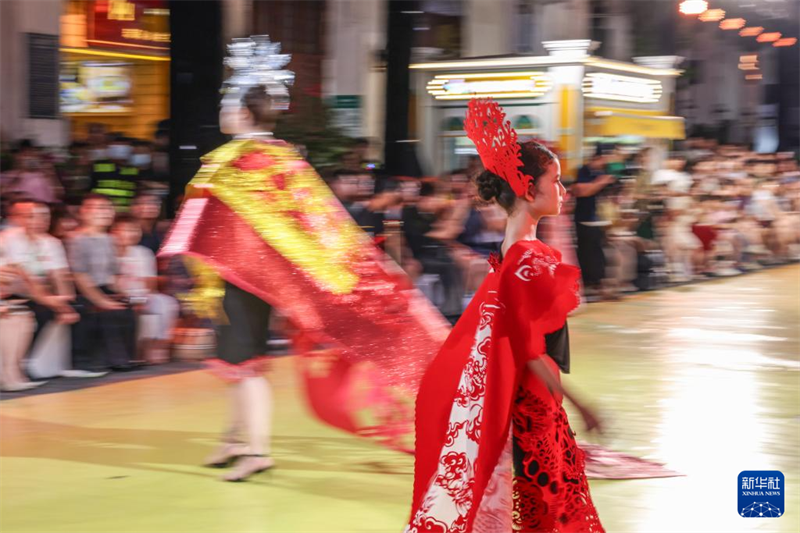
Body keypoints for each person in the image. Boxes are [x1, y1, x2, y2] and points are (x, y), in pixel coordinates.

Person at [160, 36, 447, 482]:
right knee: (238, 363)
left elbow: (228, 222)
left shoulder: (241, 161)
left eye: (226, 104)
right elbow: (315, 224)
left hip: (243, 277)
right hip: (248, 277)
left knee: (243, 363)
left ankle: (256, 450)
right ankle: (236, 439)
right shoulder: (279, 158)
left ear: (242, 113)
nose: (221, 112)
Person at [407, 99, 603, 533]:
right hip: (532, 406)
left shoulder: (506, 255)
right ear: (529, 190)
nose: (564, 192)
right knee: (550, 511)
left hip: (520, 402)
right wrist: (584, 405)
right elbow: (529, 348)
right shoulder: (528, 261)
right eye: (556, 182)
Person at [66, 193, 138, 376]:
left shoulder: (109, 239)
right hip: (81, 290)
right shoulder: (76, 239)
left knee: (126, 306)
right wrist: (102, 301)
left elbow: (112, 275)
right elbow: (79, 275)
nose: (106, 212)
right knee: (99, 310)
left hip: (103, 287)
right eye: (100, 208)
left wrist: (122, 293)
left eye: (108, 208)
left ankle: (122, 358)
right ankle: (83, 362)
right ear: (84, 212)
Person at [0, 199, 78, 343]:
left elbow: (59, 275)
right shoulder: (8, 238)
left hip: (38, 292)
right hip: (14, 290)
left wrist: (66, 299)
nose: (40, 220)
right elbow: (23, 276)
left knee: (77, 307)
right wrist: (58, 305)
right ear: (23, 218)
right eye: (33, 216)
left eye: (45, 216)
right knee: (40, 310)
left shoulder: (52, 243)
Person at [112, 213, 179, 363]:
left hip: (142, 295)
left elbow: (150, 282)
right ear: (114, 232)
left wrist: (145, 298)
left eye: (135, 230)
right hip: (119, 296)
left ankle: (159, 346)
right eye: (127, 230)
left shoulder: (143, 253)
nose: (132, 234)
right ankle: (136, 351)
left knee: (166, 303)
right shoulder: (108, 253)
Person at [572, 152, 615, 297]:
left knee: (598, 253)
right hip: (585, 220)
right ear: (597, 157)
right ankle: (590, 285)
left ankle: (599, 284)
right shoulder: (583, 171)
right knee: (587, 253)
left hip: (600, 220)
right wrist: (601, 182)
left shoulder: (603, 172)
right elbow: (581, 191)